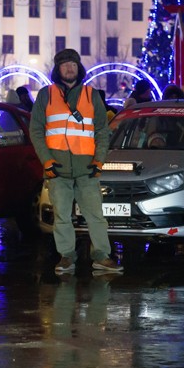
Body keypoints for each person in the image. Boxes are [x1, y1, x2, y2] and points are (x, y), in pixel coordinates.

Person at [30, 48, 120, 274]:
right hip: (57, 169)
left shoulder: (91, 95)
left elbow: (102, 130)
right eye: (65, 64)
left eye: (73, 64)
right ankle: (67, 257)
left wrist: (99, 161)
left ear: (78, 68)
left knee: (95, 215)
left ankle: (101, 256)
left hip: (87, 168)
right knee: (62, 216)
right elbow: (36, 131)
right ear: (57, 69)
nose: (69, 68)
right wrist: (46, 161)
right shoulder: (46, 95)